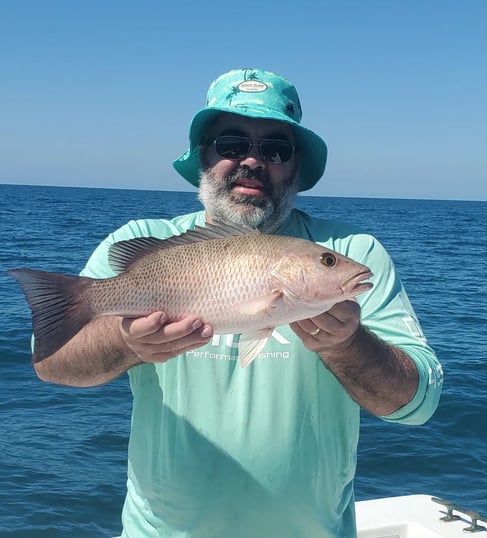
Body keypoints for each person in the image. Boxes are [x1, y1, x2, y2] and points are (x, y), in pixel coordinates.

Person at [33, 68, 443, 537]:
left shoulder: (360, 253)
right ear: (203, 155)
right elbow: (53, 365)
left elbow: (419, 404)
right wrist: (128, 341)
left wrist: (347, 344)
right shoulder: (138, 242)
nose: (252, 161)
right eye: (231, 144)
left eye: (275, 149)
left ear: (295, 166)